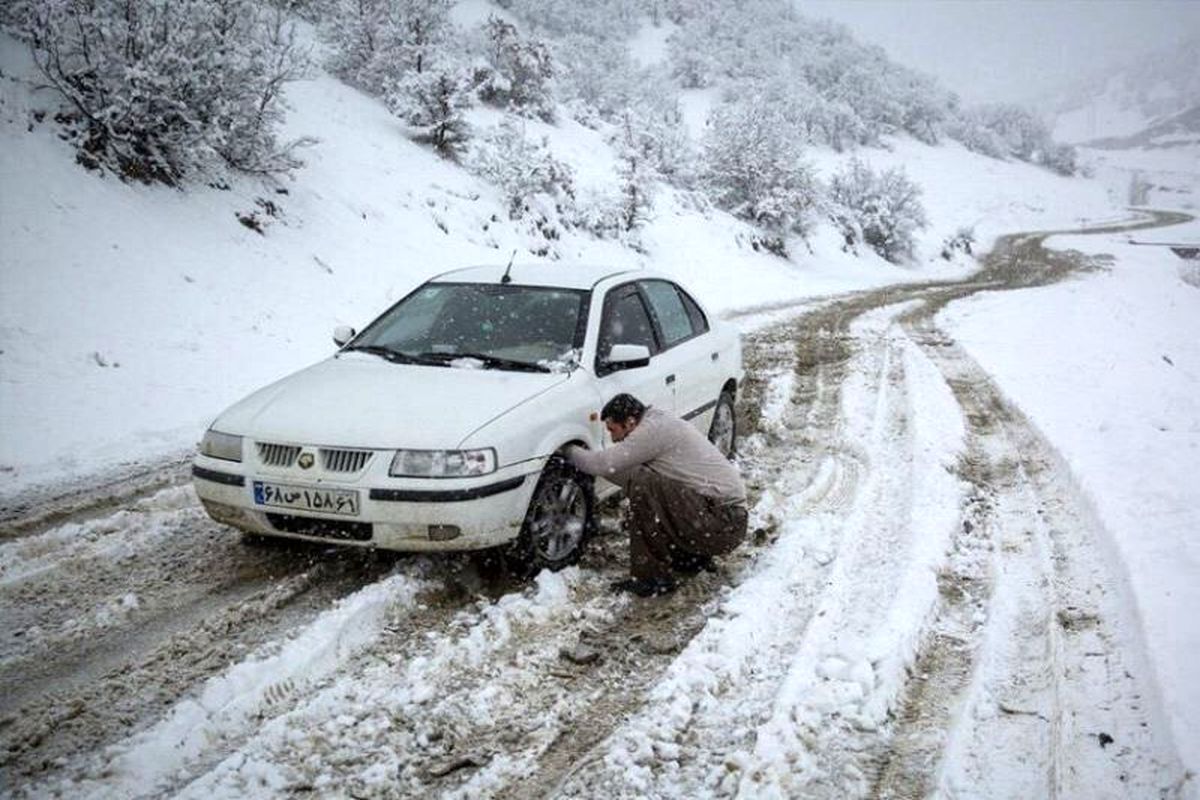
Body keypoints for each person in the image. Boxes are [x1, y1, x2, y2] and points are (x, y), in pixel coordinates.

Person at [566, 393, 748, 597]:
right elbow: (620, 471)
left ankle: (652, 579)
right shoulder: (657, 421)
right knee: (650, 482)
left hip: (723, 524)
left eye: (613, 430)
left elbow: (605, 465)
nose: (614, 439)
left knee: (645, 485)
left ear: (630, 422)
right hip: (720, 519)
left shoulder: (651, 431)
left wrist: (567, 451)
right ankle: (691, 558)